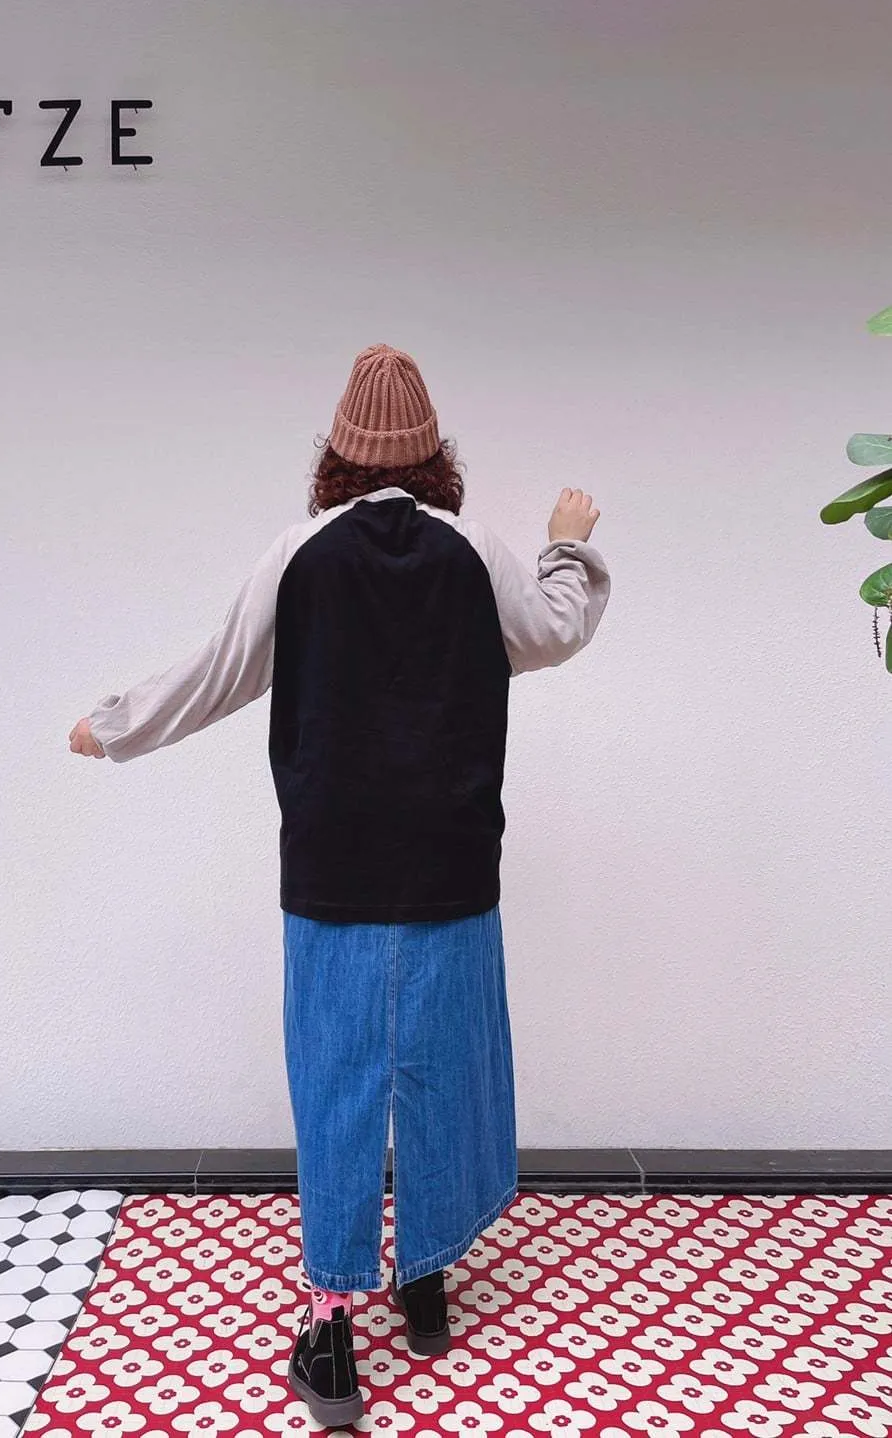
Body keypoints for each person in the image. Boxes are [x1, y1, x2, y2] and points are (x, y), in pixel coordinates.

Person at [69, 343, 611, 1428]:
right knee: (444, 1069)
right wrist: (567, 543)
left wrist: (112, 725)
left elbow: (215, 671)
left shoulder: (300, 553)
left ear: (338, 452)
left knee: (339, 1082)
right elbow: (553, 632)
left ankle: (328, 1330)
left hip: (333, 864)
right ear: (435, 453)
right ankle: (426, 1279)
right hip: (451, 858)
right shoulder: (474, 550)